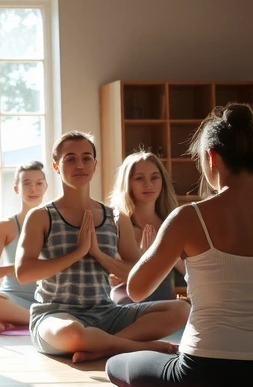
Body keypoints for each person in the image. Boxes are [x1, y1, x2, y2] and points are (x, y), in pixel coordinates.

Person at [106, 104, 253, 387]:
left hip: (203, 378)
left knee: (116, 364)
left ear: (212, 157)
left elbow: (137, 290)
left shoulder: (188, 217)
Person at [15, 132, 189, 363]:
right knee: (72, 333)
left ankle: (104, 346)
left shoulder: (116, 217)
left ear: (95, 165)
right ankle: (130, 346)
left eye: (86, 158)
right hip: (54, 315)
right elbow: (23, 273)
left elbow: (136, 275)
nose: (80, 165)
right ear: (56, 166)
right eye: (71, 159)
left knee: (180, 310)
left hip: (106, 313)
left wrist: (98, 254)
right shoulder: (41, 216)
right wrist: (77, 252)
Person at [0, 161, 49, 329]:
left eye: (39, 183)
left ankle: (11, 321)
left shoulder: (57, 223)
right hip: (14, 299)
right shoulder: (5, 226)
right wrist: (19, 267)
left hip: (48, 298)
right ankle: (39, 320)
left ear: (46, 187)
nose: (33, 189)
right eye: (26, 183)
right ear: (16, 189)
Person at [108, 151, 182, 303]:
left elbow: (189, 271)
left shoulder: (173, 224)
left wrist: (162, 251)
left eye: (154, 177)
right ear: (128, 183)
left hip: (164, 304)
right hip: (127, 302)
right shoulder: (116, 225)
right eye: (139, 178)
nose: (148, 184)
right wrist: (142, 258)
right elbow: (111, 278)